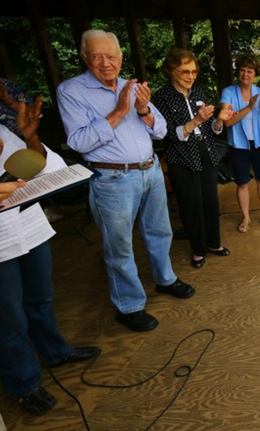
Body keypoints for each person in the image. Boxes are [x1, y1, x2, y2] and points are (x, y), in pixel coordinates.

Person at [57, 29, 194, 332]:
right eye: (97, 56)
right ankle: (129, 306)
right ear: (85, 58)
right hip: (113, 178)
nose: (105, 63)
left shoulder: (131, 86)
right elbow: (78, 141)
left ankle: (165, 278)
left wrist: (143, 109)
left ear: (121, 58)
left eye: (111, 56)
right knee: (119, 246)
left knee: (160, 231)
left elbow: (159, 130)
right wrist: (119, 111)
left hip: (151, 170)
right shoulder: (71, 91)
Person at [0, 101, 101, 415]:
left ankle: (55, 351)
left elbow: (45, 167)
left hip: (29, 227)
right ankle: (24, 382)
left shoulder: (3, 131)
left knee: (41, 296)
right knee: (8, 317)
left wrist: (30, 137)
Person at [152, 48, 232, 269]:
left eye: (194, 72)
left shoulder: (199, 93)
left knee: (210, 201)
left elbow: (210, 130)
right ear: (171, 71)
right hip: (181, 157)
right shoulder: (161, 98)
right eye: (184, 71)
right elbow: (165, 135)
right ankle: (198, 249)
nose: (190, 76)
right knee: (191, 204)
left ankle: (213, 243)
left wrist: (219, 121)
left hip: (205, 152)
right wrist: (195, 120)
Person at [220, 53, 260, 234]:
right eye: (242, 70)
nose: (245, 74)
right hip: (238, 145)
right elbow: (227, 122)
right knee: (242, 183)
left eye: (249, 71)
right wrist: (249, 108)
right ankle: (245, 217)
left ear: (255, 74)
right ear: (238, 72)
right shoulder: (228, 92)